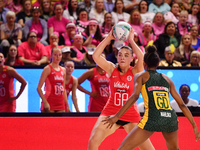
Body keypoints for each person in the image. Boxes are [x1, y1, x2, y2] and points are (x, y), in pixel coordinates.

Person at [102, 45, 200, 150]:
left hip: (152, 118)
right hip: (169, 118)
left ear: (144, 64)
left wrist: (116, 116)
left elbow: (134, 97)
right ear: (158, 63)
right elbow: (182, 105)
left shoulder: (140, 76)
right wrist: (194, 125)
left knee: (123, 148)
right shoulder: (167, 79)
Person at [88, 28, 155, 149]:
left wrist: (131, 40)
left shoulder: (135, 71)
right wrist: (108, 38)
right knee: (93, 141)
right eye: (120, 55)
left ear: (131, 59)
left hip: (130, 115)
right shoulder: (111, 68)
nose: (122, 58)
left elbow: (141, 57)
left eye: (126, 55)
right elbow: (95, 55)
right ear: (117, 57)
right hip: (110, 111)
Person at [37, 47, 70, 112]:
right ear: (51, 55)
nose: (58, 57)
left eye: (59, 55)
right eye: (55, 55)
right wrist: (45, 102)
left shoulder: (63, 70)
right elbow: (39, 88)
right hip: (49, 101)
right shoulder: (47, 69)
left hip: (60, 103)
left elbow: (64, 89)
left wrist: (67, 105)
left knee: (60, 122)